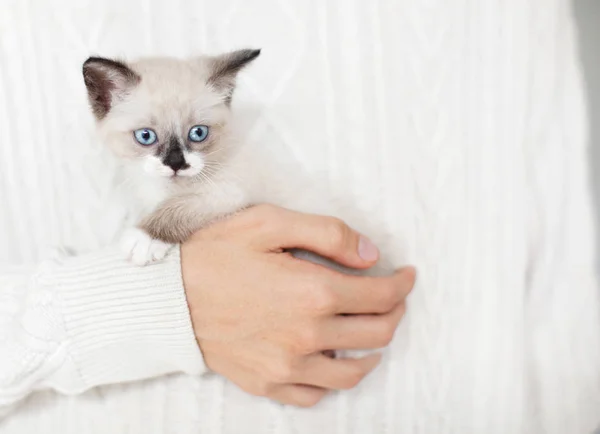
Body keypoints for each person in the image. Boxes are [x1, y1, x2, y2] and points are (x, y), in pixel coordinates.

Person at [0, 0, 599, 433]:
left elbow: (567, 283)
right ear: (103, 102)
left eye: (198, 136)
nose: (179, 161)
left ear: (224, 101)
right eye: (153, 139)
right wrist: (140, 310)